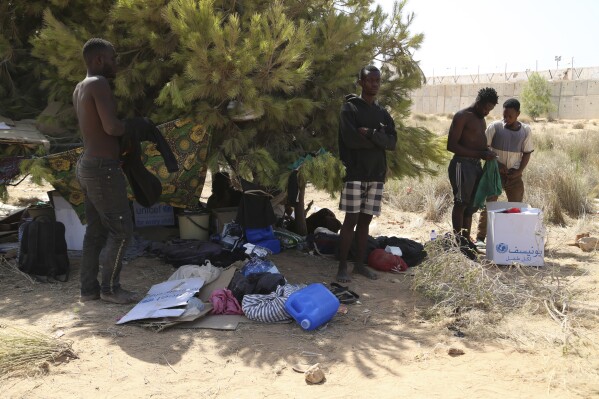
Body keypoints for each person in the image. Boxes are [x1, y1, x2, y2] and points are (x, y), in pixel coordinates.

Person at [73, 38, 156, 304]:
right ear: (99, 59)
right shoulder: (98, 84)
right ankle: (110, 289)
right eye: (113, 57)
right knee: (121, 231)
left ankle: (88, 291)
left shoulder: (80, 87)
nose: (115, 63)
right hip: (102, 170)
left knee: (95, 231)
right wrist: (132, 126)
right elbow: (111, 128)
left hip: (88, 166)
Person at [337, 65, 397, 282]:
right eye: (370, 80)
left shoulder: (382, 113)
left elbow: (392, 143)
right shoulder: (350, 109)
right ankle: (343, 266)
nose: (375, 84)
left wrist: (371, 134)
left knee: (365, 222)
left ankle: (359, 264)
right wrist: (378, 139)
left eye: (377, 81)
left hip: (376, 174)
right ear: (361, 82)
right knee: (350, 220)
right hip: (355, 173)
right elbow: (350, 140)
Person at [447, 87, 498, 257]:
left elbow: (476, 142)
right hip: (462, 165)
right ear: (478, 101)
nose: (486, 111)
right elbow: (451, 146)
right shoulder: (463, 116)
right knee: (461, 203)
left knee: (470, 207)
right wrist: (480, 154)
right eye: (485, 108)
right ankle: (458, 243)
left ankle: (466, 242)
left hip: (475, 166)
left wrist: (487, 152)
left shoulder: (481, 119)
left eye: (490, 109)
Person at [475, 98, 533, 246]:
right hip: (494, 174)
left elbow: (527, 153)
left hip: (514, 176)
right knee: (489, 204)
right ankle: (481, 238)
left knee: (516, 207)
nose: (506, 119)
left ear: (518, 114)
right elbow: (483, 148)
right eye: (504, 115)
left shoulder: (525, 131)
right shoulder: (495, 127)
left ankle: (514, 238)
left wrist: (519, 171)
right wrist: (497, 164)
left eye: (510, 116)